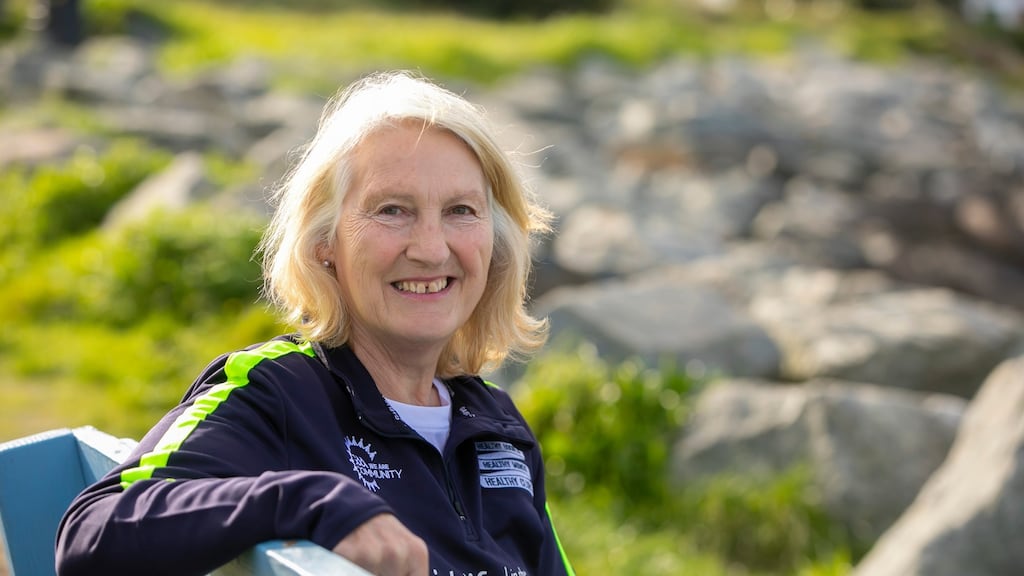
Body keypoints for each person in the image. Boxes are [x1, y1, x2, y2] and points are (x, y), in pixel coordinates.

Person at [55, 71, 575, 576]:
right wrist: (313, 499)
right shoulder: (279, 393)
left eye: (461, 210)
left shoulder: (498, 424)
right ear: (326, 242)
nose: (431, 248)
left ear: (496, 241)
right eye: (392, 210)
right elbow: (94, 533)